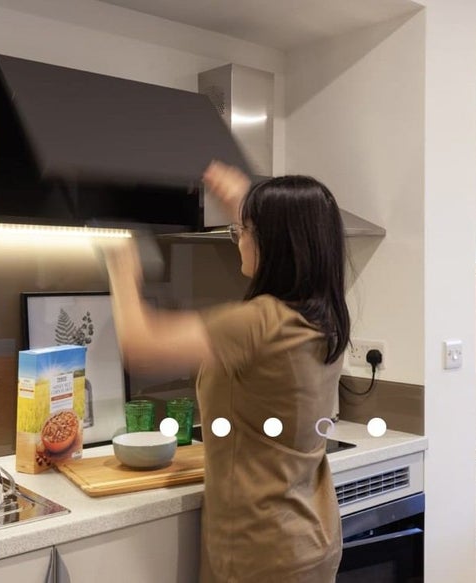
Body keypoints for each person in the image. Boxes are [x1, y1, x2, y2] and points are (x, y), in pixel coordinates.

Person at [103, 160, 349, 582]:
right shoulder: (324, 316)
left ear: (274, 242)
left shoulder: (258, 322)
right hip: (311, 537)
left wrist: (121, 263)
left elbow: (140, 345)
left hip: (260, 550)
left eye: (244, 231)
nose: (238, 238)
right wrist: (242, 205)